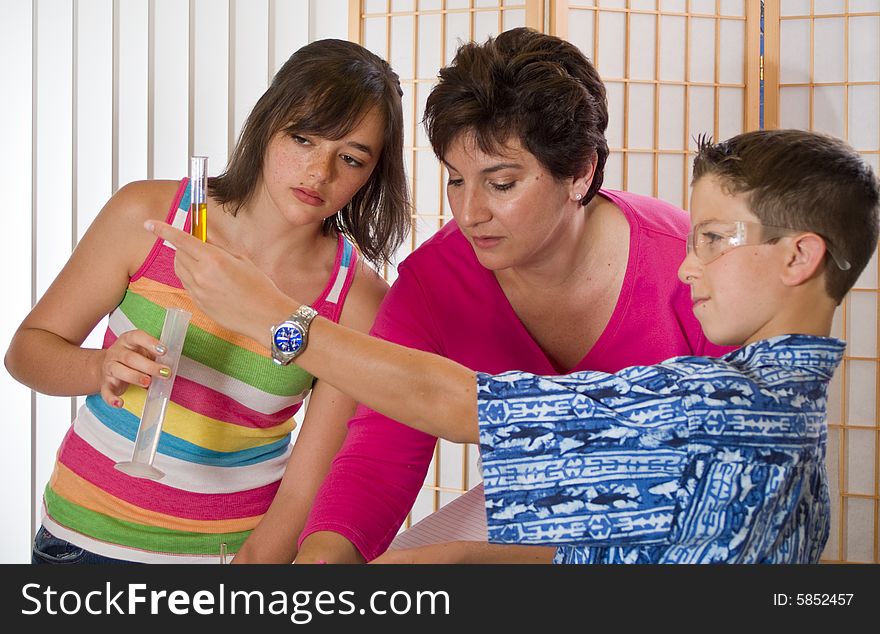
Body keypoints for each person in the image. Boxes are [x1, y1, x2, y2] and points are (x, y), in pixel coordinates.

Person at [150, 128, 880, 563]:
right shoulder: (786, 417)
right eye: (456, 180)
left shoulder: (714, 402)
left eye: (716, 240)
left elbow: (453, 401)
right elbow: (392, 456)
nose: (691, 266)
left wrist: (278, 320)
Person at [156, 27, 733, 564]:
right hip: (534, 505)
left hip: (689, 516)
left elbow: (730, 478)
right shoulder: (433, 285)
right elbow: (379, 456)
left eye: (502, 183)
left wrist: (275, 319)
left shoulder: (690, 268)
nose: (471, 212)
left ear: (581, 172)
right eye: (457, 179)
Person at [4, 39, 409, 564]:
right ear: (267, 124)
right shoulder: (150, 218)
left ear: (372, 174)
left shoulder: (355, 300)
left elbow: (304, 488)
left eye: (350, 158)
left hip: (221, 559)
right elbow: (26, 353)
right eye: (303, 139)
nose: (319, 172)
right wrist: (99, 366)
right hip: (79, 545)